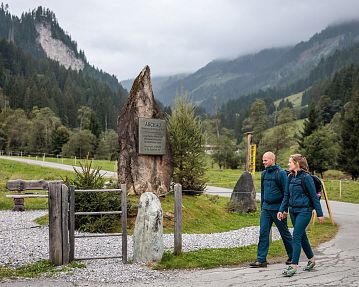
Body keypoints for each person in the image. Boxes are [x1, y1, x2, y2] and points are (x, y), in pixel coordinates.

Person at [277, 154, 324, 277]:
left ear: (297, 163)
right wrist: (282, 210)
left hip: (305, 211)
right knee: (302, 236)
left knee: (296, 236)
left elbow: (314, 196)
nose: (288, 164)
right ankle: (312, 259)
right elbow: (286, 195)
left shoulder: (307, 178)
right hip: (293, 211)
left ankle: (293, 266)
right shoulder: (290, 177)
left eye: (290, 162)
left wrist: (319, 213)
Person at [250, 151, 293, 268]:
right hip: (266, 209)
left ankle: (293, 256)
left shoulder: (281, 174)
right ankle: (261, 260)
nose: (263, 162)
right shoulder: (263, 174)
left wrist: (284, 210)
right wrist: (262, 207)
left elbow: (286, 193)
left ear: (272, 160)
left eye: (265, 160)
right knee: (263, 233)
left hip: (278, 209)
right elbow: (263, 192)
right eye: (263, 160)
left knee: (284, 233)